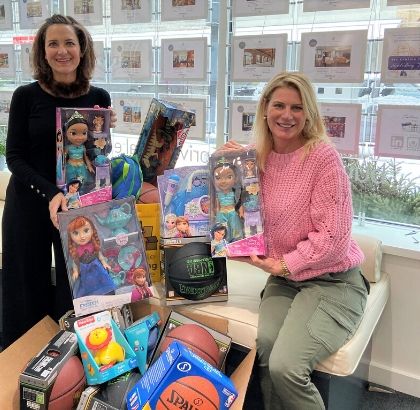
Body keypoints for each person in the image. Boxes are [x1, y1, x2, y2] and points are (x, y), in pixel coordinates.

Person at [220, 72, 369, 410]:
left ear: (309, 114)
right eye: (279, 105)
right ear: (265, 109)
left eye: (297, 108)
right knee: (268, 350)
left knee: (286, 367)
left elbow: (333, 238)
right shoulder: (254, 158)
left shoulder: (322, 158)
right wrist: (221, 163)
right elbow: (228, 206)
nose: (287, 115)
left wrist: (283, 263)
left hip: (333, 283)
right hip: (285, 280)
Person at [1, 14, 116, 348]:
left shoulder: (99, 97)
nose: (62, 50)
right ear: (42, 51)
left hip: (77, 209)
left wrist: (104, 138)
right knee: (25, 289)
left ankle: (76, 361)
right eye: (53, 43)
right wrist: (51, 192)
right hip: (29, 205)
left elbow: (98, 160)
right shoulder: (26, 96)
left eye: (70, 43)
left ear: (82, 50)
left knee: (77, 290)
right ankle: (21, 362)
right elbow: (14, 157)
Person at [67, 215, 115, 298]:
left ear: (92, 230)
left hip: (97, 266)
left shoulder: (93, 245)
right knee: (87, 284)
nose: (82, 236)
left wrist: (104, 263)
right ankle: (91, 297)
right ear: (70, 236)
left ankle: (108, 293)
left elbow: (100, 255)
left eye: (86, 230)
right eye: (76, 233)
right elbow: (75, 262)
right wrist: (75, 271)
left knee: (104, 279)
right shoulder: (76, 250)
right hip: (85, 270)